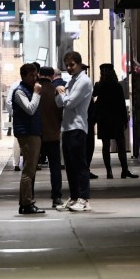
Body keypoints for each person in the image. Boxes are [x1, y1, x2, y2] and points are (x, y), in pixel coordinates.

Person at [55, 51, 93, 212]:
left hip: (78, 127)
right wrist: (61, 94)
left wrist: (62, 93)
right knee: (70, 166)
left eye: (72, 64)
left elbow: (69, 103)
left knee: (80, 165)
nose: (69, 68)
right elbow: (59, 103)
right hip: (67, 128)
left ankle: (84, 199)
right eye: (67, 65)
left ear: (79, 64)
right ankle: (74, 196)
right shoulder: (72, 81)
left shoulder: (84, 81)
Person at [93, 63, 138, 179]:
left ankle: (109, 172)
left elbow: (92, 95)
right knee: (121, 145)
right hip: (116, 119)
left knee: (105, 146)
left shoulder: (99, 85)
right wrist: (125, 120)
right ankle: (124, 170)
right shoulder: (117, 86)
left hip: (103, 120)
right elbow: (122, 104)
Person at [11, 64, 44, 215]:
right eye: (31, 75)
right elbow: (30, 109)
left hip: (33, 132)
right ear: (23, 76)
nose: (34, 78)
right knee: (28, 170)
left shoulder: (28, 90)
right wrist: (37, 93)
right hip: (27, 134)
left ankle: (24, 202)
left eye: (35, 75)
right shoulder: (19, 92)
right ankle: (27, 203)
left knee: (30, 170)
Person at [37, 66, 66, 209]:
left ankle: (28, 197)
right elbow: (62, 111)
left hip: (36, 135)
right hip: (53, 134)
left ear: (39, 74)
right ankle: (57, 197)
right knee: (55, 168)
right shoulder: (55, 91)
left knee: (31, 169)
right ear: (52, 76)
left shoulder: (34, 90)